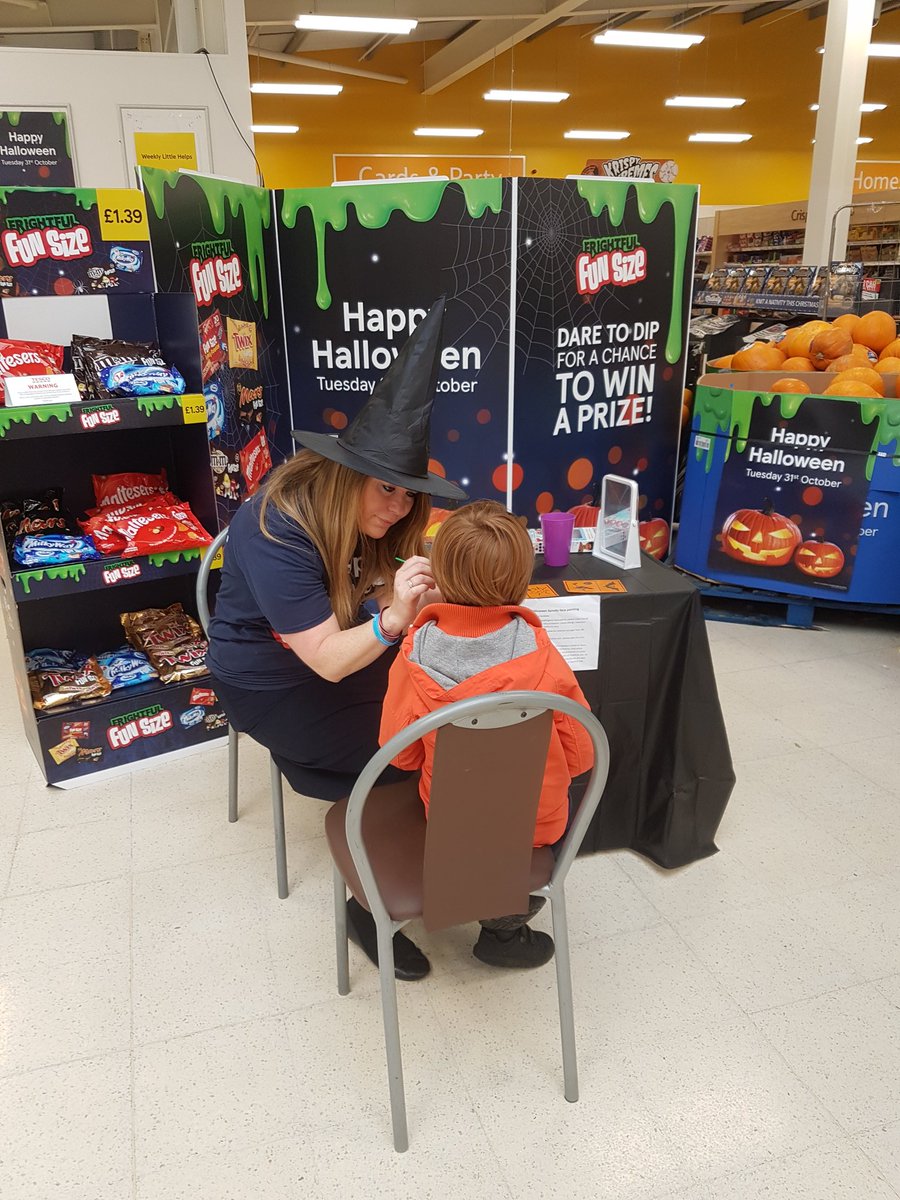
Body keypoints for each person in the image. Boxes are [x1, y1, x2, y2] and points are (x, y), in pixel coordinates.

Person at [206, 298, 466, 982]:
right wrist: (391, 619)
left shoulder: (373, 518)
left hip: (338, 645)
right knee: (408, 741)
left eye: (409, 496)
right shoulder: (276, 525)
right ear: (345, 473)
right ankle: (367, 902)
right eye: (387, 490)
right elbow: (323, 659)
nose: (398, 507)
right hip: (267, 679)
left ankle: (465, 874)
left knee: (446, 703)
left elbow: (367, 596)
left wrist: (404, 593)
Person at [379, 500, 595, 969]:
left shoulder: (414, 656)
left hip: (449, 821)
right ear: (522, 578)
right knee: (561, 804)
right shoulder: (544, 656)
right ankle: (506, 928)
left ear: (440, 577)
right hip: (535, 829)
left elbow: (399, 757)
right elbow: (581, 756)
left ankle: (492, 913)